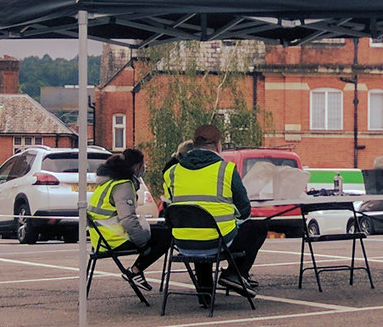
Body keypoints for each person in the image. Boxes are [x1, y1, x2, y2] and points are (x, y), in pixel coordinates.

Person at [162, 124, 267, 303]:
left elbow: (173, 208)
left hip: (183, 243)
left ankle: (205, 294)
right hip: (218, 242)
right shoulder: (226, 169)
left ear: (193, 145)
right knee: (258, 226)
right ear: (218, 145)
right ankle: (234, 273)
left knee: (197, 227)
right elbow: (244, 210)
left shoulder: (171, 172)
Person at [88, 148, 172, 291]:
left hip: (102, 238)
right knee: (166, 236)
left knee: (160, 231)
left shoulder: (109, 182)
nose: (144, 168)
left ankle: (136, 271)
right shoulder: (123, 185)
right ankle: (135, 271)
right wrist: (142, 241)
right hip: (114, 239)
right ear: (136, 166)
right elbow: (127, 219)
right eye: (143, 164)